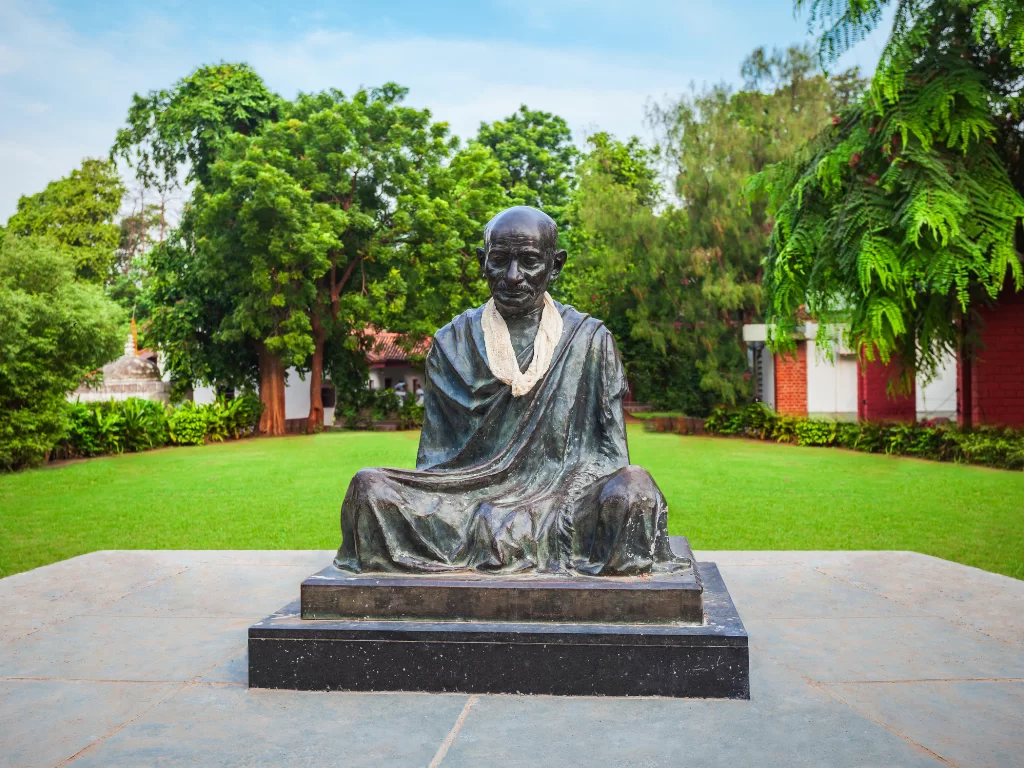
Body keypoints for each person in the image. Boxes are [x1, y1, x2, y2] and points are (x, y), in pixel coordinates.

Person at [333, 206, 689, 575]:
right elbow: (436, 465)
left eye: (530, 261)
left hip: (564, 498)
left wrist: (542, 505)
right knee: (369, 488)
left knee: (633, 489)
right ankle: (503, 534)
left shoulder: (591, 340)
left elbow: (612, 457)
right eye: (500, 260)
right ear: (482, 262)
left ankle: (522, 533)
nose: (514, 276)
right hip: (467, 497)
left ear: (555, 265)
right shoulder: (451, 342)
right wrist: (490, 506)